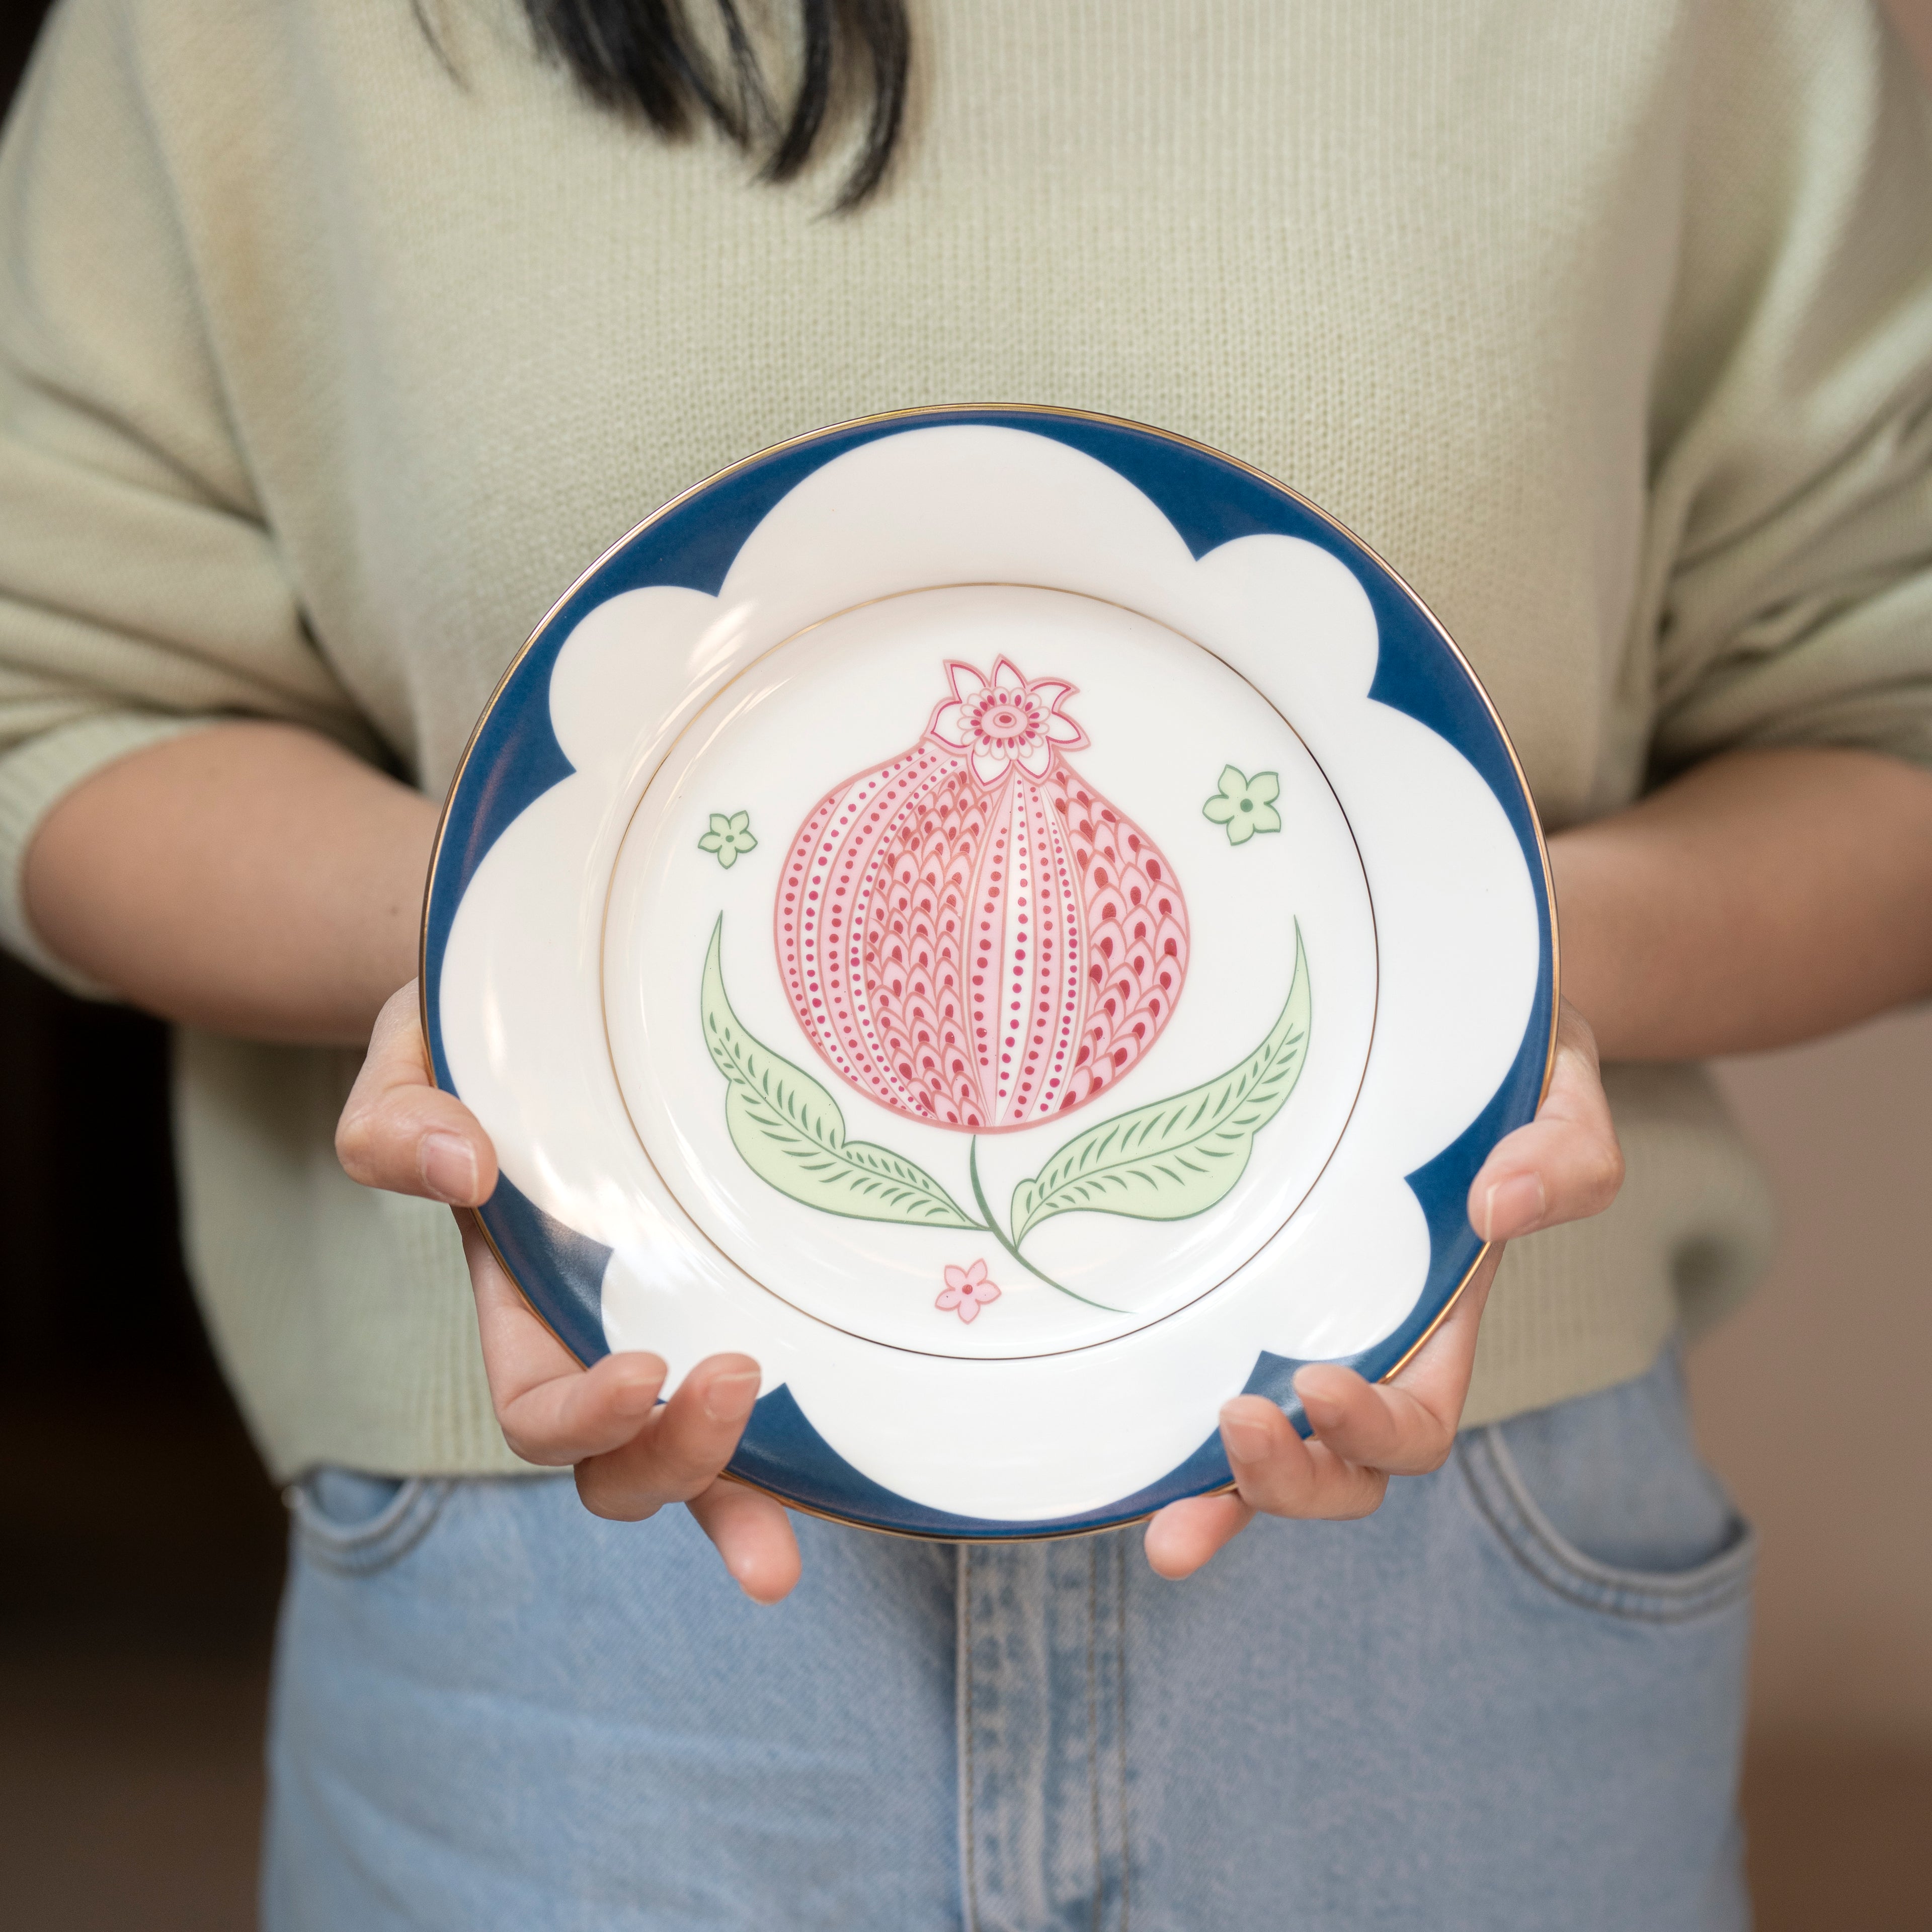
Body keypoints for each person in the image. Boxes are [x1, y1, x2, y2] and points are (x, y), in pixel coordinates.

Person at [4, 1, 1931, 1925]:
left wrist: (1473, 977)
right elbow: (52, 696)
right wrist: (533, 961)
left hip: (1446, 1568)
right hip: (578, 1600)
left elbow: (1888, 721)